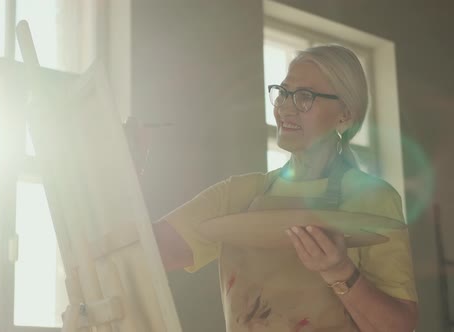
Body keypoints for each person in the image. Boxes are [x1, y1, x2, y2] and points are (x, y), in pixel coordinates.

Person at [152, 45, 418, 332]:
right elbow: (145, 253)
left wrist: (339, 271)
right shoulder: (237, 194)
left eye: (305, 97)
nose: (285, 107)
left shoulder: (374, 198)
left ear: (346, 115)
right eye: (283, 92)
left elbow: (399, 326)